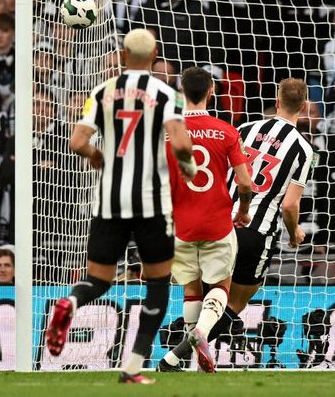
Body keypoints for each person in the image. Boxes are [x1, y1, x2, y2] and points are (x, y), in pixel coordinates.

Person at [45, 29, 196, 384]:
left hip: (109, 202)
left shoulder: (101, 92)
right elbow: (181, 145)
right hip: (151, 204)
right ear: (155, 54)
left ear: (123, 55)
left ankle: (70, 302)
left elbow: (77, 141)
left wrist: (99, 157)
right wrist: (188, 169)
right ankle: (133, 366)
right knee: (158, 285)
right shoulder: (166, 94)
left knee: (98, 279)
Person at [162, 77, 316, 368]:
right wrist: (294, 230)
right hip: (257, 233)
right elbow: (290, 204)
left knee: (207, 292)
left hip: (221, 223)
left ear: (277, 99)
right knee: (234, 303)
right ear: (304, 105)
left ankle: (185, 343)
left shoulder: (243, 129)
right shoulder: (304, 149)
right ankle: (179, 352)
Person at [157, 67, 253, 373]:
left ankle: (191, 362)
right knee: (221, 284)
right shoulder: (226, 131)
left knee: (191, 286)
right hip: (217, 222)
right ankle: (202, 334)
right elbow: (246, 184)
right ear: (212, 91)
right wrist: (244, 209)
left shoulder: (168, 131)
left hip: (181, 223)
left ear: (181, 91)